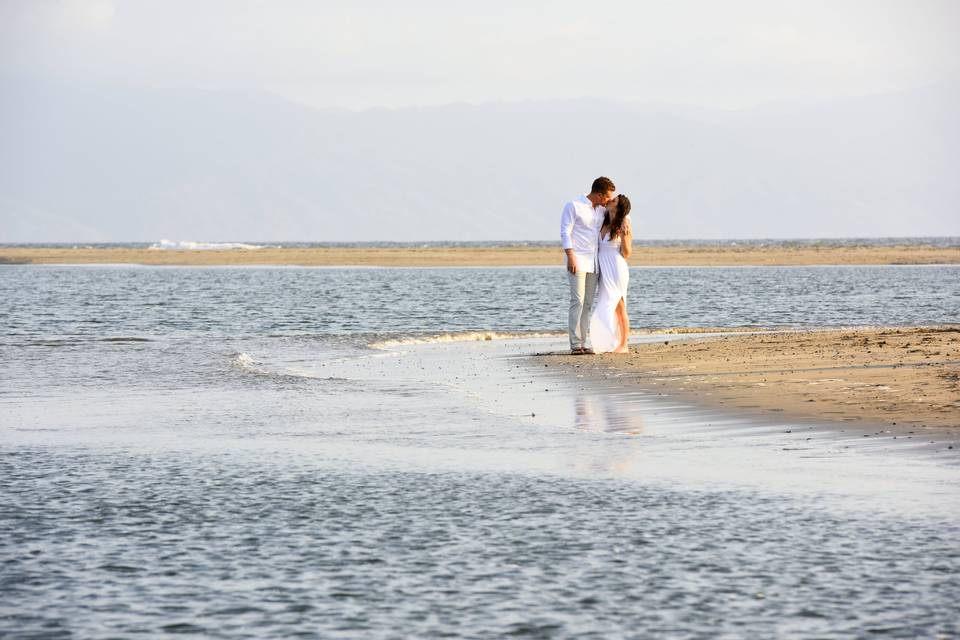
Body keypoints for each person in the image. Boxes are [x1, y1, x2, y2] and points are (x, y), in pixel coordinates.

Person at [560, 177, 617, 355]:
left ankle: (584, 342)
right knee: (577, 300)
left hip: (594, 262)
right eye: (607, 197)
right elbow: (565, 231)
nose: (609, 200)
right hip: (577, 259)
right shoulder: (574, 205)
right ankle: (575, 344)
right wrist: (570, 257)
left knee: (588, 303)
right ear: (598, 194)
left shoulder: (601, 210)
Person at [589, 194, 632, 354]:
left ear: (618, 207)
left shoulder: (623, 225)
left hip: (616, 267)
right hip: (603, 269)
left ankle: (623, 344)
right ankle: (608, 341)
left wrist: (623, 235)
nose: (610, 200)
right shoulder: (603, 218)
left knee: (619, 306)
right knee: (606, 305)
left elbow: (627, 253)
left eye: (614, 201)